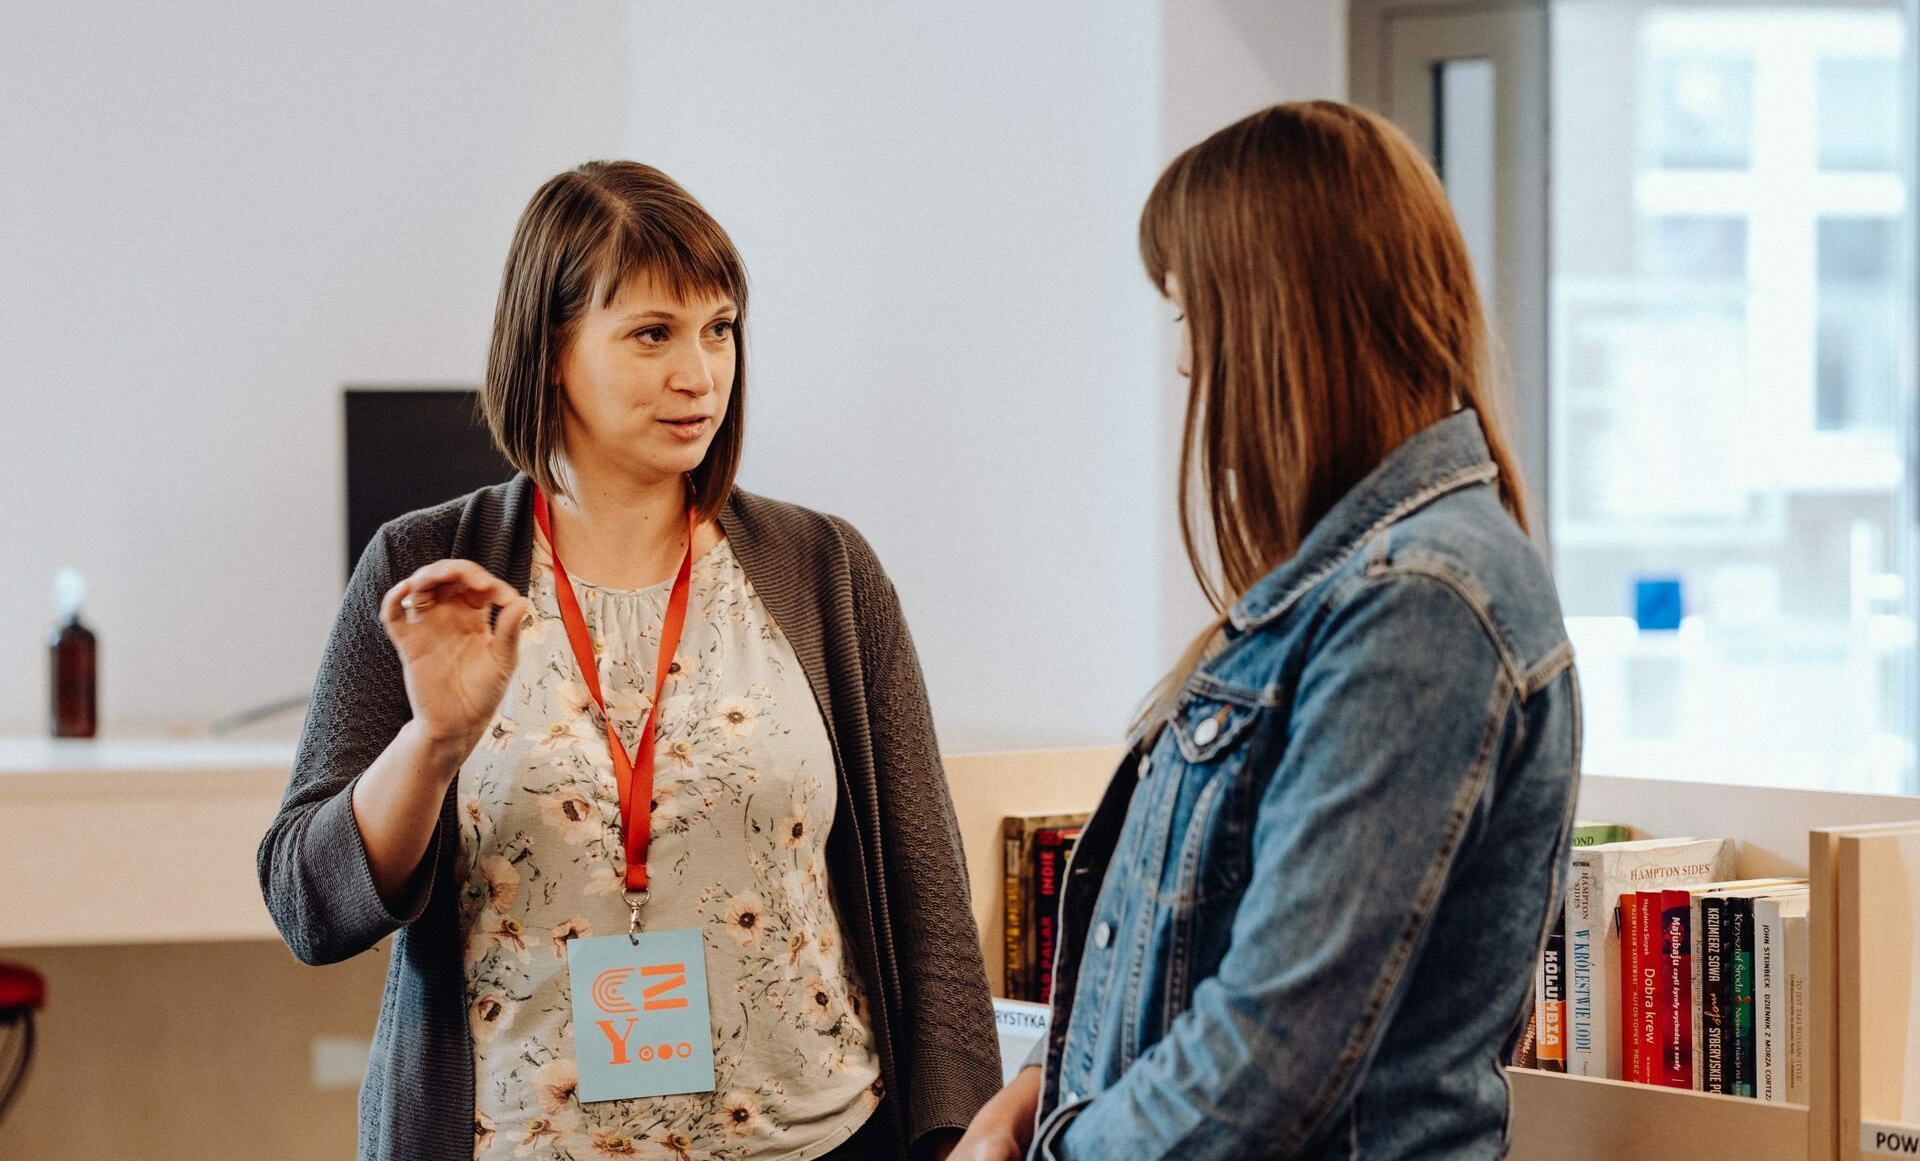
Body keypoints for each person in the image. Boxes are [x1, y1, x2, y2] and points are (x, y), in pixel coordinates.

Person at [259, 161, 1000, 1161]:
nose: (699, 371)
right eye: (653, 332)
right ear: (552, 349)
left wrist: (964, 1130)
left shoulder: (825, 569)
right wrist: (433, 743)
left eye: (720, 327)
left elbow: (929, 898)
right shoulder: (427, 566)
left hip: (822, 1138)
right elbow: (309, 904)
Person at [953, 101, 1580, 1160]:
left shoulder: (1420, 596)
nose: (1189, 364)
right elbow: (1192, 962)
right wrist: (1036, 1090)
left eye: (1194, 316)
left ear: (1281, 320)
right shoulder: (1341, 584)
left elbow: (1271, 1050)